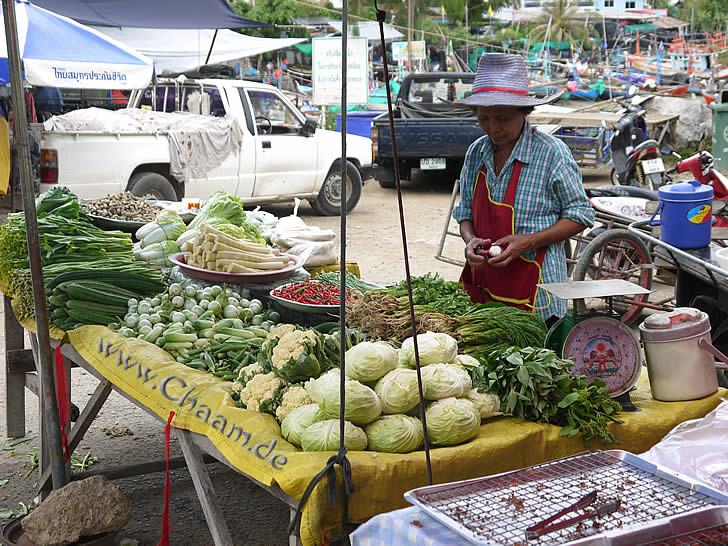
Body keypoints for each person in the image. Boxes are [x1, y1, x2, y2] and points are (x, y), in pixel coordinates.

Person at [453, 53, 595, 326]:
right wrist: (470, 240)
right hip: (484, 288)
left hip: (538, 291)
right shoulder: (476, 153)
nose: (493, 128)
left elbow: (580, 214)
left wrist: (527, 241)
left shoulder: (551, 153)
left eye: (503, 118)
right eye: (484, 119)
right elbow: (465, 212)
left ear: (524, 113)